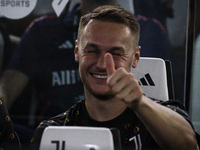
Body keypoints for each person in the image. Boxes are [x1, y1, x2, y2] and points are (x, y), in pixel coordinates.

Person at [33, 5, 198, 150]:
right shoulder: (54, 131)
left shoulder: (162, 116)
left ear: (135, 57)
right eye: (92, 50)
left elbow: (188, 144)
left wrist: (140, 102)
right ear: (77, 51)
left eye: (116, 53)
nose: (103, 64)